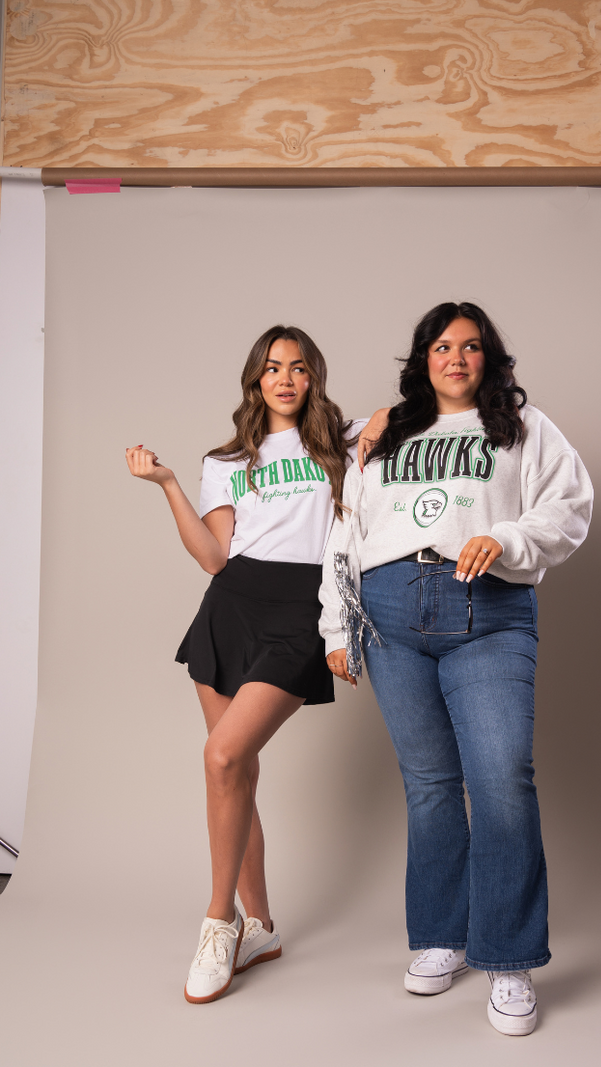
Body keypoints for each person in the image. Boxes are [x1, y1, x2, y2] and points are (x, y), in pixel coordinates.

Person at [320, 301, 593, 1036]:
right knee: (431, 784)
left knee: (501, 776)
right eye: (442, 346)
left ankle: (507, 959)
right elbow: (346, 527)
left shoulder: (524, 428)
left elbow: (570, 506)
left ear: (489, 358)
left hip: (488, 614)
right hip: (388, 617)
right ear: (423, 359)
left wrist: (504, 538)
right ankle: (443, 937)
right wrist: (334, 625)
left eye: (471, 347)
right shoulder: (384, 435)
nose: (457, 358)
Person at [126, 325, 376, 1005]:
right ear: (255, 380)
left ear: (313, 377)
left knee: (222, 758)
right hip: (231, 607)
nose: (286, 378)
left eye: (298, 367)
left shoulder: (344, 440)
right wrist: (170, 483)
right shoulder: (228, 459)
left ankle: (218, 921)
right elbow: (214, 556)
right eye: (272, 368)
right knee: (233, 769)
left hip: (302, 609)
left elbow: (408, 417)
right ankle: (259, 926)